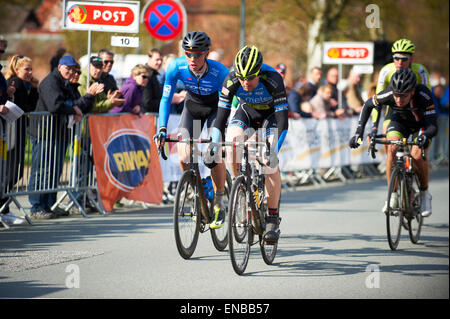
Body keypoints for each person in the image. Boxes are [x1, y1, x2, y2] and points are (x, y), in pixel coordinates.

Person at [210, 45, 289, 243]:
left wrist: (273, 150)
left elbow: (283, 122)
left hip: (271, 117)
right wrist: (213, 143)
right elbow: (220, 118)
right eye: (242, 78)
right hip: (246, 112)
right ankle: (240, 187)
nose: (245, 82)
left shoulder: (273, 79)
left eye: (250, 78)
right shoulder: (231, 80)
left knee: (269, 162)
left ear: (259, 73)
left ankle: (272, 217)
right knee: (231, 144)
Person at [154, 31, 229, 229]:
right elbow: (165, 99)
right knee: (183, 157)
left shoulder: (220, 72)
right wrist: (162, 128)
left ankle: (219, 202)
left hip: (216, 109)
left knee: (214, 157)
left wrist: (215, 139)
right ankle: (200, 194)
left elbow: (227, 105)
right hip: (192, 108)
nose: (192, 59)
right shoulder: (175, 66)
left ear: (206, 54)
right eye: (188, 54)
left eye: (197, 54)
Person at [349, 68, 437, 217]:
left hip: (421, 125)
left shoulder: (423, 95)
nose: (398, 99)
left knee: (416, 155)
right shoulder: (390, 94)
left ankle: (424, 193)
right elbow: (368, 105)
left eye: (403, 96)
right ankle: (394, 194)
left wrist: (425, 136)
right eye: (396, 95)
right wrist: (359, 132)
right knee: (391, 150)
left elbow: (433, 125)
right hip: (400, 123)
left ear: (412, 92)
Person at [28, 55, 83, 219]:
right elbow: (55, 105)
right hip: (44, 133)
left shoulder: (64, 82)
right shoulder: (51, 81)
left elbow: (72, 101)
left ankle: (49, 205)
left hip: (57, 133)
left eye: (73, 69)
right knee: (41, 171)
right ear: (59, 67)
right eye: (67, 68)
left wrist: (74, 106)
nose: (70, 72)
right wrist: (73, 110)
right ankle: (37, 206)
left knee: (54, 171)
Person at [1, 52, 36, 225]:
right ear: (16, 69)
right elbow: (22, 106)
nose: (30, 72)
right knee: (11, 172)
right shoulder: (15, 82)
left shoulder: (25, 84)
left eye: (31, 69)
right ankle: (3, 208)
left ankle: (4, 208)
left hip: (18, 131)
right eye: (26, 69)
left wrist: (35, 88)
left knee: (16, 172)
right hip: (12, 131)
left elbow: (31, 105)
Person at [373, 38, 430, 132]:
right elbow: (377, 101)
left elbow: (428, 97)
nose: (400, 62)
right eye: (396, 58)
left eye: (404, 59)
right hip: (394, 109)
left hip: (416, 109)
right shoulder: (386, 70)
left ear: (412, 59)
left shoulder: (420, 70)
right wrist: (374, 126)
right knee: (386, 136)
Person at [141, 48, 163, 113]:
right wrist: (166, 100)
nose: (160, 62)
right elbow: (147, 102)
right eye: (157, 60)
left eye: (161, 60)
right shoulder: (146, 74)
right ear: (149, 59)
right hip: (146, 118)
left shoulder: (153, 74)